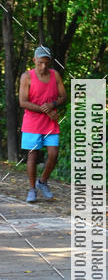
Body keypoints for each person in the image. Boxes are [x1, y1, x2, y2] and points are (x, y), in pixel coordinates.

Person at [19, 46, 67, 202]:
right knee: (32, 155)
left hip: (50, 123)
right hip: (32, 123)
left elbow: (63, 97)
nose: (43, 66)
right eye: (40, 63)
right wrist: (44, 110)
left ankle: (43, 182)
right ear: (34, 60)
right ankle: (32, 189)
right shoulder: (27, 77)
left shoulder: (55, 75)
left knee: (53, 154)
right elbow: (23, 102)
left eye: (46, 63)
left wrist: (53, 105)